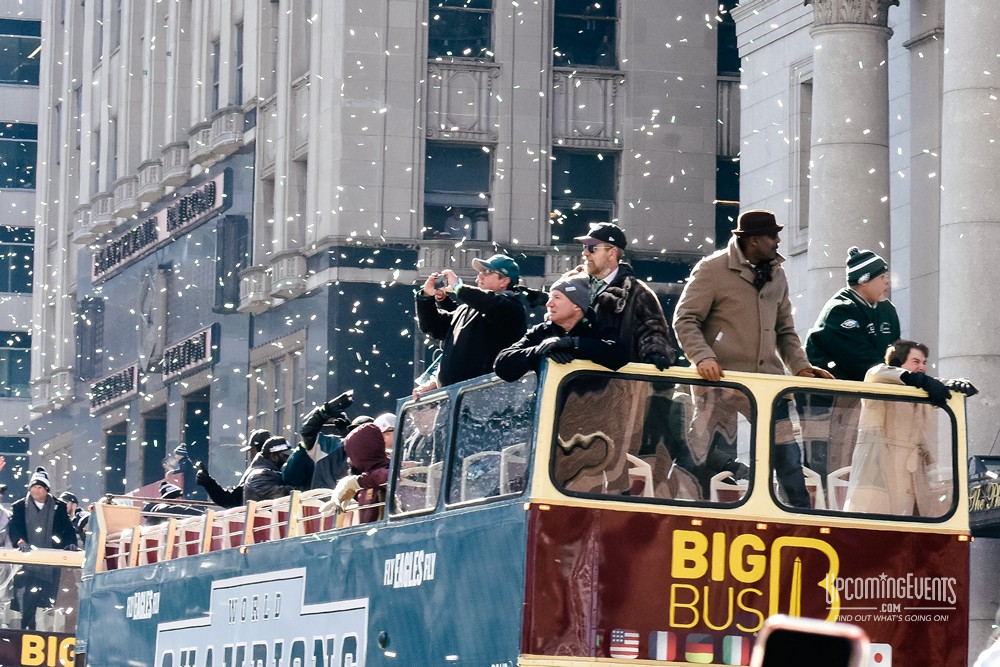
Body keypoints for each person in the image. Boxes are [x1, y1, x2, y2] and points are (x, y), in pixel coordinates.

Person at [673, 209, 833, 506]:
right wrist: (703, 357)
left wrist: (800, 367)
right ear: (753, 240)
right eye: (772, 236)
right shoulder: (712, 269)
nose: (777, 241)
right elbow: (685, 320)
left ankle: (798, 520)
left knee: (788, 460)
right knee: (701, 455)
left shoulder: (778, 275)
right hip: (719, 383)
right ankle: (682, 511)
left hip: (768, 387)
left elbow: (786, 331)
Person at [844, 340, 977, 516]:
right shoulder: (878, 382)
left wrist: (957, 384)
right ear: (897, 363)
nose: (921, 367)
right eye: (916, 362)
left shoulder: (923, 390)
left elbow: (938, 385)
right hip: (878, 468)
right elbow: (876, 372)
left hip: (910, 473)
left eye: (924, 363)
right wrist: (915, 379)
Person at [800, 247, 902, 477]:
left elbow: (894, 355)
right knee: (832, 468)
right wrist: (903, 378)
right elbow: (861, 361)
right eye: (882, 277)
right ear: (864, 281)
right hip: (826, 405)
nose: (888, 281)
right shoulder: (840, 310)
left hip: (863, 400)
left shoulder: (888, 310)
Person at [414, 254, 527, 393]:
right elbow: (432, 327)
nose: (480, 276)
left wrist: (458, 287)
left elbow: (489, 303)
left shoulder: (512, 308)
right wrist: (426, 297)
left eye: (487, 272)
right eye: (480, 272)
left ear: (504, 281)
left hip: (485, 399)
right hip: (453, 399)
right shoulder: (467, 309)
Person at [574, 222, 677, 370]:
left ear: (612, 252)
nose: (585, 253)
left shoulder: (637, 293)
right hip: (571, 382)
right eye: (584, 247)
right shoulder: (572, 283)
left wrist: (656, 352)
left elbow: (653, 330)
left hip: (615, 385)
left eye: (592, 248)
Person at [495, 272, 628, 381]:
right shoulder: (542, 331)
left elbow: (619, 356)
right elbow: (502, 365)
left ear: (577, 305)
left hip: (593, 408)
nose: (549, 304)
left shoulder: (599, 330)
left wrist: (572, 344)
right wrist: (540, 351)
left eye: (557, 298)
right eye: (550, 298)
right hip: (550, 410)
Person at [8, 468, 78, 630]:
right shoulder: (19, 507)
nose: (35, 490)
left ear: (46, 490)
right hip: (26, 564)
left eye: (39, 487)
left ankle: (47, 631)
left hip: (50, 564)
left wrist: (70, 543)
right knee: (27, 599)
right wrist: (20, 541)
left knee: (47, 600)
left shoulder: (58, 507)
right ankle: (27, 630)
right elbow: (15, 528)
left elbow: (67, 529)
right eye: (33, 487)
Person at [329, 423, 392, 524]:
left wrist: (358, 482)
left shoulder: (385, 469)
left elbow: (385, 475)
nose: (349, 459)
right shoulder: (369, 474)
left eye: (351, 453)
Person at [196, 428, 272, 508]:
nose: (250, 456)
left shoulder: (258, 474)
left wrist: (208, 483)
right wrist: (209, 483)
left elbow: (231, 500)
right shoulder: (266, 472)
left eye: (252, 451)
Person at [243, 436, 299, 502]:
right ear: (273, 457)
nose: (289, 459)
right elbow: (282, 494)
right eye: (285, 456)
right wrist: (305, 487)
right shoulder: (258, 477)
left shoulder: (269, 472)